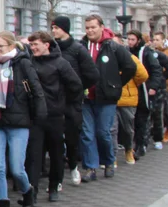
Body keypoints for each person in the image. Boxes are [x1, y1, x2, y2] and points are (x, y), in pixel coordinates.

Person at [0, 32, 46, 207]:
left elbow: (36, 90)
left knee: (17, 169)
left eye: (0, 46)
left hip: (19, 122)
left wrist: (39, 118)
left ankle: (28, 191)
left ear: (11, 46)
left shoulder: (22, 63)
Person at [79, 14, 136, 182]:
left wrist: (116, 84)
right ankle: (90, 168)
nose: (89, 30)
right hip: (86, 98)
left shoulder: (113, 47)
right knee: (87, 134)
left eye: (93, 27)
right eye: (87, 28)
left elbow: (130, 67)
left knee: (103, 132)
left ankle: (109, 162)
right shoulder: (81, 46)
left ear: (101, 27)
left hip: (107, 98)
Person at [27, 31, 83, 202]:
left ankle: (54, 186)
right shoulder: (29, 63)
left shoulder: (61, 63)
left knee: (56, 151)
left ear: (46, 44)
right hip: (35, 115)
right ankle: (33, 190)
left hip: (55, 115)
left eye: (36, 44)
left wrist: (63, 104)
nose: (33, 48)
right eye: (31, 45)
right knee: (34, 154)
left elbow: (76, 85)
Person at [51, 16, 98, 186]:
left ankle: (73, 166)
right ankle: (56, 179)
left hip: (72, 100)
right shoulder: (51, 48)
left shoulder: (78, 49)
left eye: (56, 27)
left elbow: (92, 74)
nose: (53, 31)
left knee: (72, 137)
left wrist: (77, 87)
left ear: (64, 29)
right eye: (52, 28)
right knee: (55, 138)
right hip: (54, 100)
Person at [126, 30, 164, 158]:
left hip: (144, 90)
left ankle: (141, 145)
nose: (130, 42)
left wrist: (153, 86)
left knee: (142, 119)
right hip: (130, 91)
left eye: (132, 39)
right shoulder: (125, 51)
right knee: (132, 120)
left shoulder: (146, 52)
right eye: (128, 39)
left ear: (138, 40)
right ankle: (132, 145)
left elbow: (157, 70)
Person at [115, 42, 149, 165]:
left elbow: (142, 75)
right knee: (111, 129)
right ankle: (112, 156)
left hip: (128, 100)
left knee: (127, 129)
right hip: (111, 99)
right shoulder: (108, 58)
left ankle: (129, 149)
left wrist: (132, 84)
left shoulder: (131, 58)